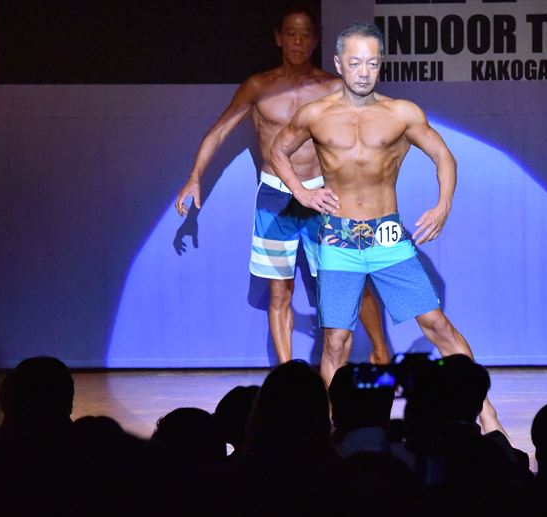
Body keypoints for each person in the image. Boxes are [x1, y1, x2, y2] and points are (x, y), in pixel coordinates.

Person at [270, 22, 506, 434]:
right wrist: (302, 193)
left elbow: (444, 156)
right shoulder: (315, 114)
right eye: (355, 63)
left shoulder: (401, 113)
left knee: (437, 326)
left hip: (386, 236)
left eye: (372, 63)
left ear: (381, 64)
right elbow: (278, 150)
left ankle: (487, 415)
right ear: (339, 63)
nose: (364, 72)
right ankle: (330, 430)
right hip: (338, 237)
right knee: (336, 342)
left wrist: (443, 205)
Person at [174, 7, 389, 366]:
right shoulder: (259, 87)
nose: (298, 42)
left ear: (315, 41)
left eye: (306, 35)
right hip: (275, 196)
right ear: (279, 38)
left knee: (351, 279)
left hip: (324, 195)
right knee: (279, 292)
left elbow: (366, 136)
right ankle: (289, 374)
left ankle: (381, 352)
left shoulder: (332, 87)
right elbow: (220, 131)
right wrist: (195, 176)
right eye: (291, 34)